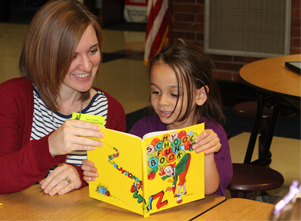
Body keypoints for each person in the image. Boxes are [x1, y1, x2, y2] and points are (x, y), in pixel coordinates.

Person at [0, 0, 126, 195]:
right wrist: (50, 146)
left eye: (93, 51)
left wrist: (80, 178)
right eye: (73, 56)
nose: (87, 65)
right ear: (46, 55)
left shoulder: (111, 111)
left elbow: (115, 178)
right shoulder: (11, 98)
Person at [82, 42, 233, 196]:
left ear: (199, 96)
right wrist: (97, 171)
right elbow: (124, 173)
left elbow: (209, 189)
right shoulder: (143, 129)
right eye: (155, 92)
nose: (162, 102)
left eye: (174, 94)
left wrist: (207, 153)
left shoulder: (212, 135)